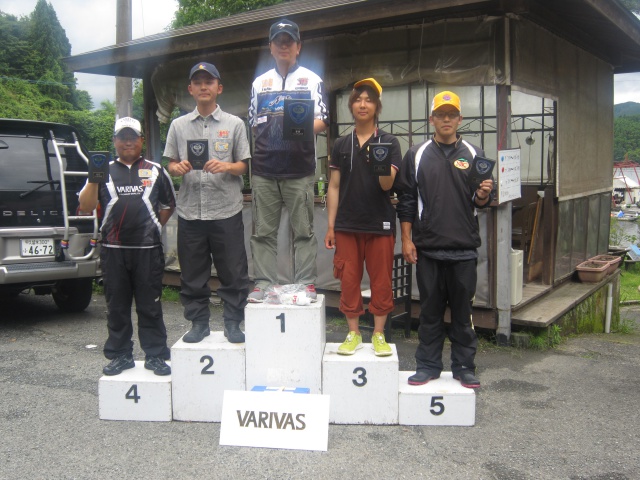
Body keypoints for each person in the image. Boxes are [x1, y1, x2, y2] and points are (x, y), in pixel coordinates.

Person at [396, 91, 493, 388]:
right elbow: (407, 200)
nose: (446, 119)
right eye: (441, 114)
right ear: (432, 119)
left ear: (460, 119)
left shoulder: (475, 155)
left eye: (452, 114)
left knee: (463, 315)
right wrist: (407, 240)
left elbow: (480, 202)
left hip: (464, 249)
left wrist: (483, 194)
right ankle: (428, 365)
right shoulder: (417, 154)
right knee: (429, 312)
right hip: (428, 248)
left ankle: (464, 367)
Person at [79, 117, 176, 376]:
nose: (128, 141)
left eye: (133, 136)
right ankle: (121, 355)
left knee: (150, 306)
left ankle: (155, 355)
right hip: (113, 250)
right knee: (117, 306)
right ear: (114, 141)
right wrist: (93, 178)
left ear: (142, 140)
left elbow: (168, 206)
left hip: (147, 251)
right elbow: (86, 207)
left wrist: (152, 227)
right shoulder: (102, 170)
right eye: (122, 137)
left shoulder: (156, 170)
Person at [164, 62, 251, 344]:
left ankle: (233, 323)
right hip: (190, 211)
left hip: (226, 209)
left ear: (219, 88)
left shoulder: (235, 124)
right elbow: (171, 163)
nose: (203, 86)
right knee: (192, 274)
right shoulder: (178, 126)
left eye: (209, 82)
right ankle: (199, 323)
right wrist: (176, 169)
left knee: (234, 271)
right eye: (198, 82)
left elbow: (243, 167)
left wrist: (226, 167)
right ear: (190, 89)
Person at [247, 18, 329, 302]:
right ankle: (263, 283)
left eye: (289, 41)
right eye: (279, 41)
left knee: (303, 230)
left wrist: (298, 127)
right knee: (263, 232)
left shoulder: (311, 79)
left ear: (298, 47)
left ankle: (306, 283)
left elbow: (323, 121)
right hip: (264, 169)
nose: (284, 45)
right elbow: (254, 124)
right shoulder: (260, 83)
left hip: (300, 169)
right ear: (270, 47)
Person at [324, 78, 401, 356]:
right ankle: (353, 333)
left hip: (380, 223)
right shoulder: (342, 144)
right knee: (348, 279)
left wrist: (377, 160)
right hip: (346, 224)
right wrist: (331, 225)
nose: (363, 104)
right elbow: (333, 186)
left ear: (377, 106)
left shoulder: (389, 142)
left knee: (381, 280)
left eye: (369, 99)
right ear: (351, 106)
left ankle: (378, 334)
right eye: (358, 99)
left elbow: (387, 186)